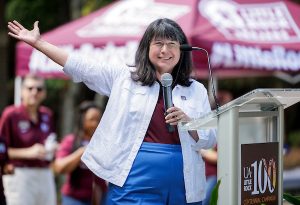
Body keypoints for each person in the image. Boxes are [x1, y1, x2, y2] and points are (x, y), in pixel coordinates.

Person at [7, 18, 216, 204]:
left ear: (182, 50)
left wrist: (189, 123)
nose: (165, 50)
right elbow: (80, 65)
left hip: (183, 181)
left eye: (172, 44)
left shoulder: (196, 89)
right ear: (146, 47)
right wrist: (39, 43)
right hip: (135, 178)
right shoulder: (125, 78)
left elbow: (209, 140)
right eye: (158, 43)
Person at [0, 74, 57, 205]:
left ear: (44, 93)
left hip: (45, 173)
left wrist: (53, 148)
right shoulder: (11, 114)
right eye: (30, 88)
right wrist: (28, 152)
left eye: (39, 89)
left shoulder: (47, 114)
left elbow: (51, 139)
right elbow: (2, 150)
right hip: (19, 173)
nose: (34, 92)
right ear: (22, 91)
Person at [54, 101, 107, 205]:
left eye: (99, 120)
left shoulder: (104, 142)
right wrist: (82, 151)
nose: (95, 124)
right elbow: (59, 167)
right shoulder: (71, 141)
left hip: (100, 196)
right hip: (75, 197)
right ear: (82, 120)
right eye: (91, 119)